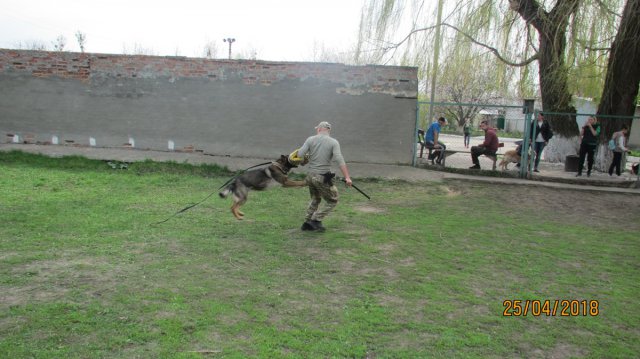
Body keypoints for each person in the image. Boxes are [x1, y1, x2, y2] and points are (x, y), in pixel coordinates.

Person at [297, 121, 352, 232]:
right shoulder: (333, 142)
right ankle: (316, 220)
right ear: (328, 130)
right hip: (322, 177)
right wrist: (347, 177)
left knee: (315, 199)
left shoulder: (310, 139)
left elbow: (299, 155)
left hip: (310, 176)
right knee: (333, 200)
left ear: (318, 129)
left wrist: (307, 158)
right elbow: (339, 159)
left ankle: (307, 223)